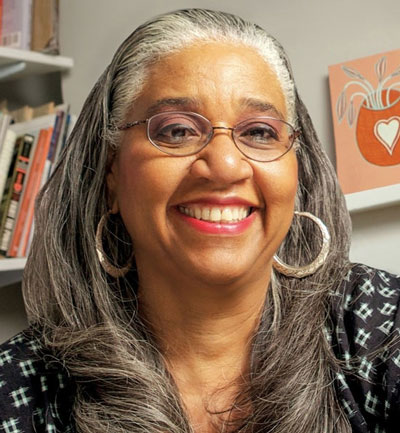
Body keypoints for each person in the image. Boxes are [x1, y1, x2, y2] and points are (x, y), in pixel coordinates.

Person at [0, 8, 399, 433]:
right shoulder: (19, 390)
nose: (225, 165)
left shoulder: (378, 328)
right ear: (111, 175)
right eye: (176, 130)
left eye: (260, 132)